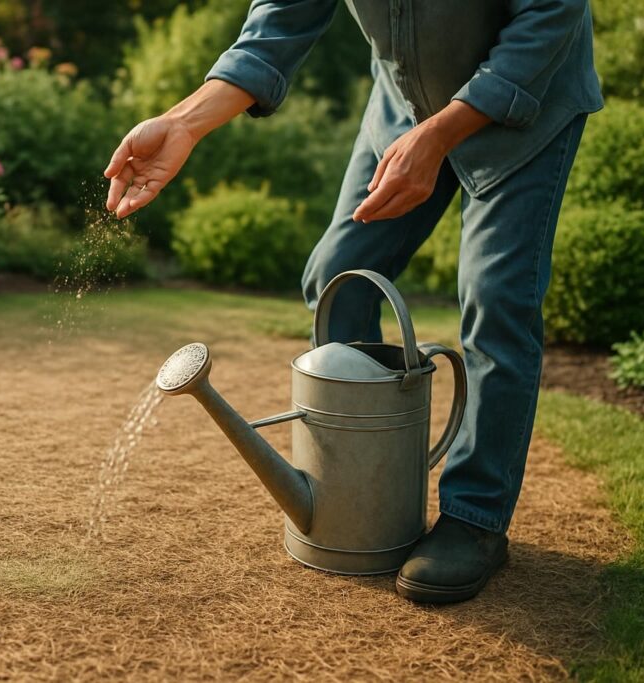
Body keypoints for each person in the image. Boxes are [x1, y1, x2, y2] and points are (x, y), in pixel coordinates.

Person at [104, 0, 603, 603]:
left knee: (496, 301)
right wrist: (184, 122)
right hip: (406, 102)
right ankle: (359, 493)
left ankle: (476, 519)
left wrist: (441, 135)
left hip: (529, 103)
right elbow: (277, 25)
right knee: (338, 275)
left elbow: (552, 13)